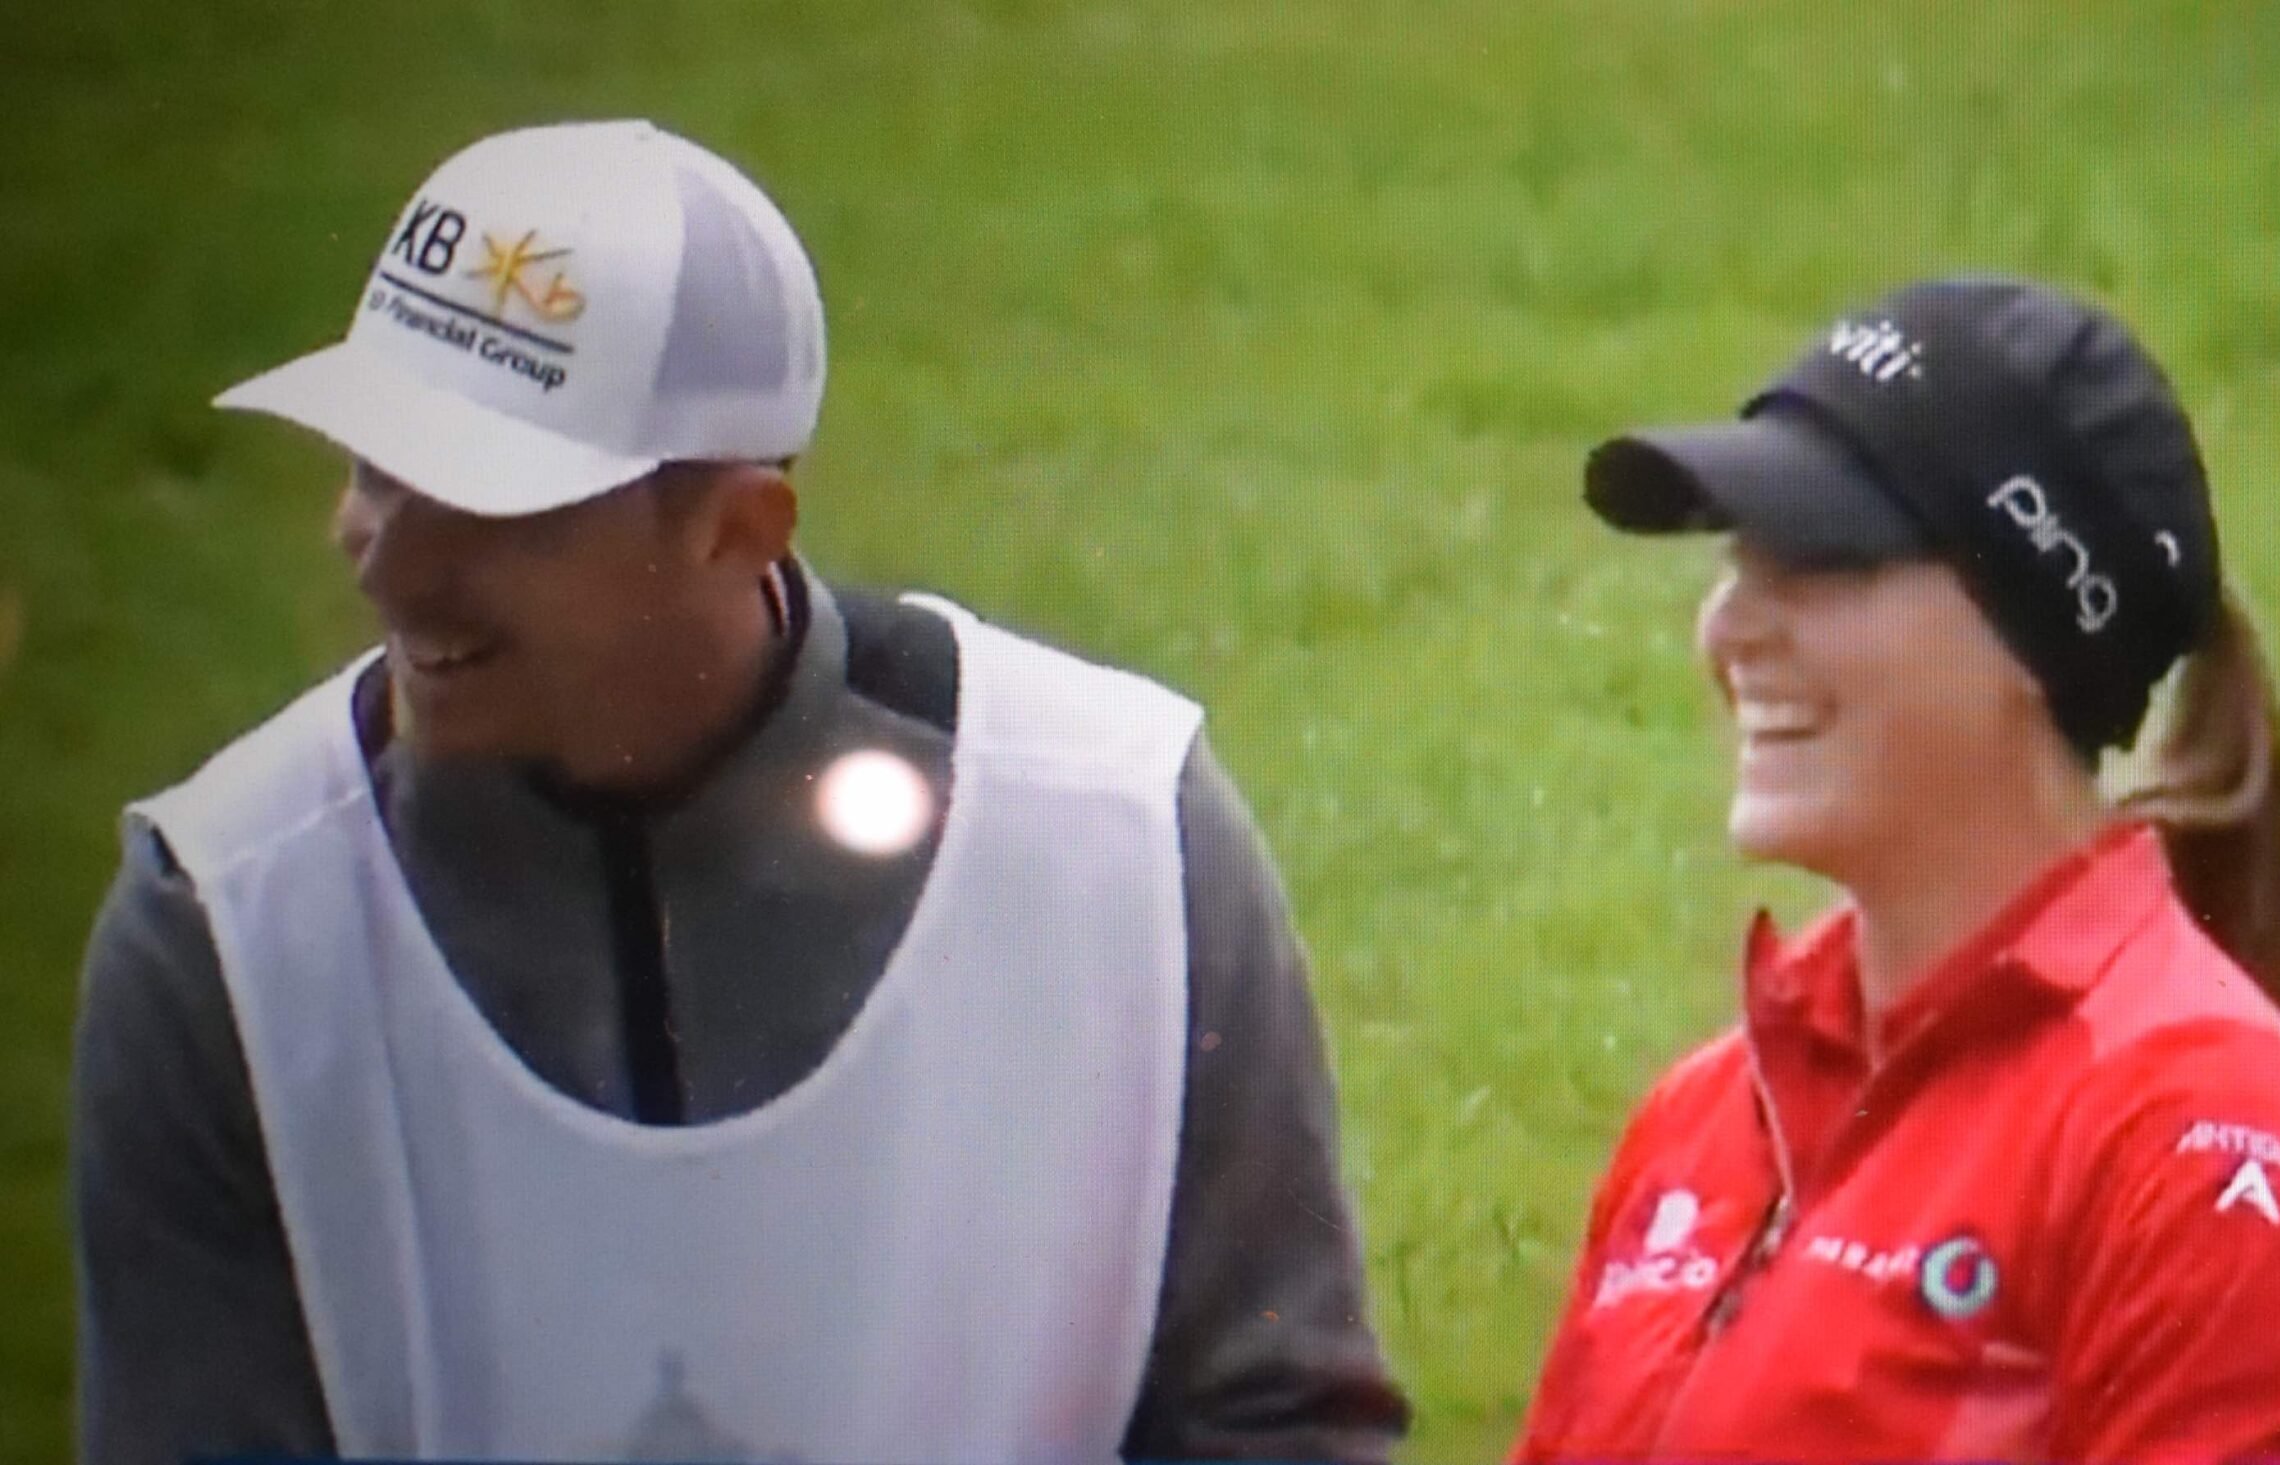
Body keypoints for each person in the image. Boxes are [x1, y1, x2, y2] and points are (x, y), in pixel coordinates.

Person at [72, 119, 1406, 1465]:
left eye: (491, 509)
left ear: (740, 530)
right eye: (377, 471)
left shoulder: (1123, 838)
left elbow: (1275, 1423)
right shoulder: (221, 926)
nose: (390, 567)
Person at [1512, 278, 2280, 1462]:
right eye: (1737, 560)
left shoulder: (2199, 1146)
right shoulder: (1701, 1118)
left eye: (1818, 560)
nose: (1727, 629)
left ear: (2035, 630)